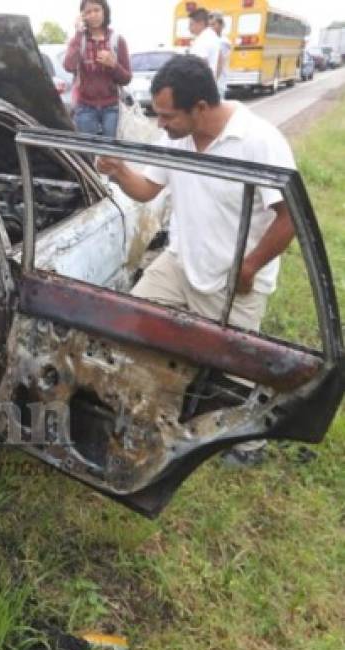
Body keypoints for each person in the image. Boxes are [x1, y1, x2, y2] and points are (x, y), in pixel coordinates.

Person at [96, 55, 297, 467]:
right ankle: (158, 404)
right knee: (133, 323)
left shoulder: (259, 141)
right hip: (179, 262)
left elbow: (289, 216)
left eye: (168, 115)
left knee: (237, 367)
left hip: (233, 277)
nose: (161, 124)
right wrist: (119, 172)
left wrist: (249, 266)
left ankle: (248, 446)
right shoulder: (175, 139)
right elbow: (148, 189)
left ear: (200, 107)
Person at [63, 0, 132, 138]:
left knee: (110, 154)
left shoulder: (117, 40)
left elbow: (126, 79)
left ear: (104, 11)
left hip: (112, 108)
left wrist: (113, 65)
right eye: (88, 12)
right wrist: (78, 33)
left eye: (97, 10)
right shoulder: (80, 39)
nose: (93, 15)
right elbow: (69, 66)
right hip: (85, 108)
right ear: (82, 16)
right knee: (87, 154)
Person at [188, 7, 221, 80]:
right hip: (208, 83)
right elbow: (220, 62)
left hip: (200, 84)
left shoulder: (203, 40)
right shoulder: (213, 36)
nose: (189, 28)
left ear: (201, 24)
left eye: (191, 24)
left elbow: (200, 64)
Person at [210, 11, 232, 98]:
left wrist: (213, 82)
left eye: (213, 24)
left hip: (217, 84)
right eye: (209, 25)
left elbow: (219, 64)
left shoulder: (223, 42)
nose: (211, 27)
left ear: (221, 25)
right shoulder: (212, 40)